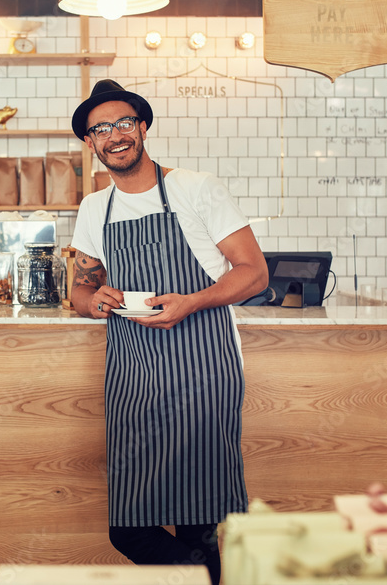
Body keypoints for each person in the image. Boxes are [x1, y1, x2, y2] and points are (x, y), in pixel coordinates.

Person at [69, 79, 268, 584]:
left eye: (123, 122)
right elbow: (79, 290)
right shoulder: (96, 208)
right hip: (134, 377)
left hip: (202, 371)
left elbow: (253, 273)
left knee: (198, 524)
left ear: (142, 127)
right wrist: (97, 300)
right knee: (129, 527)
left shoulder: (195, 188)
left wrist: (192, 302)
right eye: (101, 129)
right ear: (90, 144)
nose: (114, 135)